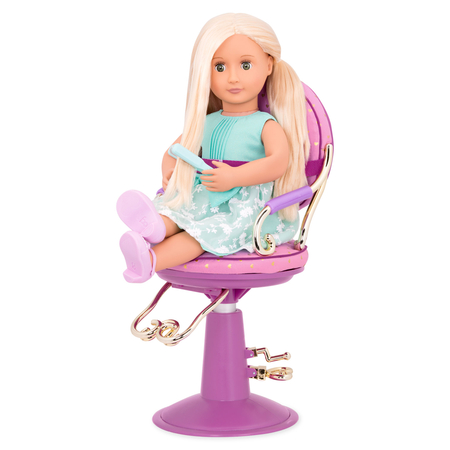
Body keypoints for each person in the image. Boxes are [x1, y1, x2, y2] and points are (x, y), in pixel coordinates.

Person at [117, 13, 310, 282]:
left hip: (243, 206)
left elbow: (278, 162)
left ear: (268, 65)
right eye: (220, 67)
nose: (233, 78)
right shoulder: (207, 122)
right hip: (205, 194)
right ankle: (155, 226)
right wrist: (170, 171)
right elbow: (175, 150)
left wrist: (235, 176)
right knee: (178, 212)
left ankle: (149, 260)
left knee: (202, 234)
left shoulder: (265, 124)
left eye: (245, 65)